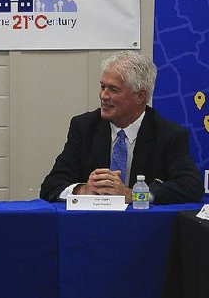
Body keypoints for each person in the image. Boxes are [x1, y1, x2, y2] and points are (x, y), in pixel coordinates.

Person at [40, 51, 203, 204]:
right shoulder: (84, 127)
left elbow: (191, 187)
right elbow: (50, 186)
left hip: (145, 228)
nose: (103, 96)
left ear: (140, 96)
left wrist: (134, 195)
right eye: (103, 87)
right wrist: (84, 190)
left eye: (113, 89)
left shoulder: (168, 134)